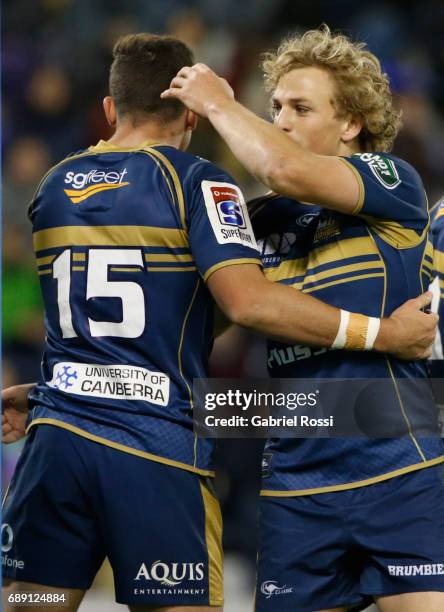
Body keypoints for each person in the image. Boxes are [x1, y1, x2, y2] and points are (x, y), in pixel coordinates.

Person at [162, 25, 444, 612]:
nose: (282, 119)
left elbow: (284, 167)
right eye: (276, 107)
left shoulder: (391, 181)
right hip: (295, 486)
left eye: (300, 107)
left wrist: (219, 102)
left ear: (350, 125)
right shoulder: (257, 222)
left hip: (400, 471)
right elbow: (188, 329)